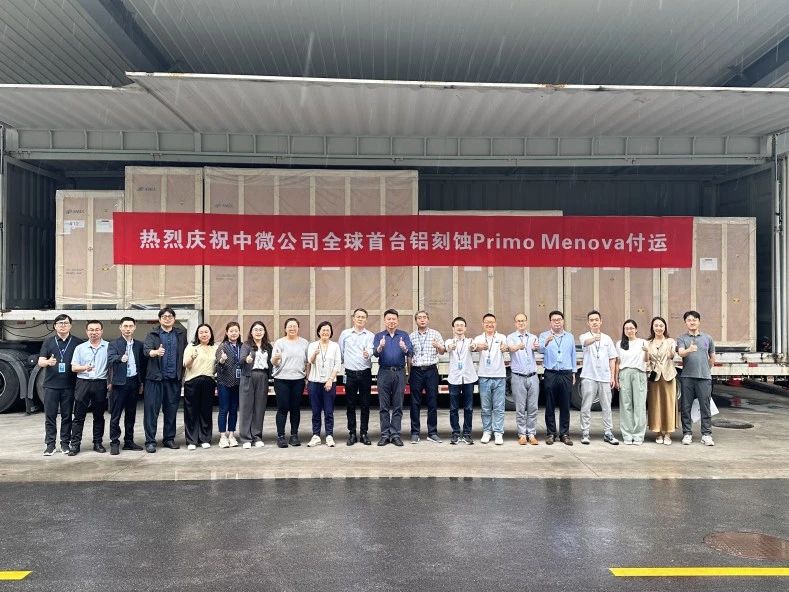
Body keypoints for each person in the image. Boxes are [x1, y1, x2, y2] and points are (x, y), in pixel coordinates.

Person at [142, 307, 187, 453]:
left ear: (174, 319)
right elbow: (146, 350)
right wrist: (155, 352)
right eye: (164, 316)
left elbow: (185, 352)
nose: (167, 319)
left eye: (170, 316)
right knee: (151, 412)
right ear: (160, 319)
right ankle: (150, 441)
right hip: (155, 379)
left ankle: (169, 439)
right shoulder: (152, 334)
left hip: (173, 379)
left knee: (171, 411)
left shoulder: (180, 334)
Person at [38, 314, 82, 456]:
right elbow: (40, 361)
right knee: (50, 416)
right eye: (60, 323)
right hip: (51, 386)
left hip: (69, 385)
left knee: (67, 416)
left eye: (65, 323)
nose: (63, 325)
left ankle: (65, 443)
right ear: (55, 326)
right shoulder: (48, 342)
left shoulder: (77, 342)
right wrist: (48, 362)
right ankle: (50, 445)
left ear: (70, 325)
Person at [373, 309, 414, 447]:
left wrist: (404, 348)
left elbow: (410, 352)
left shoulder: (403, 335)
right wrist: (380, 347)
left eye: (394, 319)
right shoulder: (379, 336)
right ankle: (385, 434)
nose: (391, 321)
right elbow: (375, 353)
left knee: (398, 405)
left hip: (399, 372)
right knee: (383, 406)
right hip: (384, 372)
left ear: (397, 321)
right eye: (389, 319)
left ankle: (395, 434)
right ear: (385, 321)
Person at [578, 310, 619, 445]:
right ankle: (585, 432)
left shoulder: (607, 338)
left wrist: (612, 377)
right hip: (588, 376)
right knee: (586, 406)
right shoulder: (584, 336)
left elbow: (612, 358)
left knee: (607, 406)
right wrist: (594, 338)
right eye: (591, 320)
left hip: (604, 377)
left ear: (601, 321)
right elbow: (585, 343)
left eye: (596, 320)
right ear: (588, 323)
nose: (594, 322)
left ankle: (608, 432)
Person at [107, 317, 146, 455]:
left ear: (134, 328)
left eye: (130, 326)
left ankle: (129, 441)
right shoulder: (114, 344)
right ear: (120, 327)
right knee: (116, 414)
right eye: (125, 326)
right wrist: (119, 358)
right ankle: (114, 442)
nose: (128, 329)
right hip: (119, 383)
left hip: (133, 382)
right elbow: (110, 358)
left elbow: (142, 365)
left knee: (131, 414)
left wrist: (141, 382)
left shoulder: (139, 345)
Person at [69, 320, 109, 455]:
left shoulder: (108, 347)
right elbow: (74, 368)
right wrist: (84, 368)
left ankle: (97, 443)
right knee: (78, 416)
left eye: (97, 330)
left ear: (102, 331)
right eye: (91, 330)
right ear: (86, 332)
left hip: (100, 383)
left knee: (99, 416)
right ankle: (75, 445)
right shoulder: (80, 348)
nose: (94, 332)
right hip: (83, 382)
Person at [676, 310, 716, 446]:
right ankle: (687, 433)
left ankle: (706, 434)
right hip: (687, 377)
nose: (692, 322)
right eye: (689, 320)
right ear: (685, 322)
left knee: (705, 407)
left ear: (699, 321)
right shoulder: (682, 338)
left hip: (704, 378)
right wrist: (689, 350)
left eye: (694, 320)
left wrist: (706, 370)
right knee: (685, 407)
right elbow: (681, 353)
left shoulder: (707, 338)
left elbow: (712, 357)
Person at [538, 310, 576, 446]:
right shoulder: (544, 335)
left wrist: (573, 373)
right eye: (554, 320)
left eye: (559, 319)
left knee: (565, 405)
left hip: (566, 373)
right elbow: (539, 350)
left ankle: (564, 434)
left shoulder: (569, 337)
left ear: (563, 321)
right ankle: (551, 433)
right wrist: (546, 342)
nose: (557, 322)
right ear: (550, 322)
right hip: (551, 373)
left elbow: (573, 355)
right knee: (550, 404)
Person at [338, 308, 375, 446]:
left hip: (365, 373)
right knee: (350, 405)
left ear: (366, 319)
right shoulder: (345, 334)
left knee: (365, 405)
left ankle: (364, 433)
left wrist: (368, 353)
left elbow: (371, 350)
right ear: (353, 318)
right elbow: (341, 352)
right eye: (358, 316)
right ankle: (352, 433)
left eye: (363, 317)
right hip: (350, 374)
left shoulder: (370, 335)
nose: (360, 319)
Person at [408, 311, 445, 443]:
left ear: (428, 320)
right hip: (416, 371)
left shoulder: (436, 334)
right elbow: (409, 356)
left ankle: (432, 432)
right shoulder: (411, 336)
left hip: (431, 370)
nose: (422, 320)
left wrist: (438, 346)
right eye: (419, 318)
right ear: (416, 321)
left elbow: (442, 351)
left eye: (424, 317)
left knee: (432, 402)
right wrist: (409, 373)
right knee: (414, 402)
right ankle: (415, 432)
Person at [271, 318, 309, 448]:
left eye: (294, 326)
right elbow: (274, 362)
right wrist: (276, 359)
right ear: (285, 328)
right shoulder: (280, 342)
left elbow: (307, 362)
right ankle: (281, 436)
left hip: (298, 380)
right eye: (289, 326)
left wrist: (307, 378)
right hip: (281, 379)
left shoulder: (304, 343)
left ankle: (294, 435)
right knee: (282, 408)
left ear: (298, 328)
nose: (292, 328)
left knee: (295, 408)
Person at [473, 313, 509, 445]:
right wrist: (477, 347)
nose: (490, 324)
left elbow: (507, 348)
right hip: (484, 376)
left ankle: (498, 432)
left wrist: (505, 348)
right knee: (486, 407)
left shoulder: (502, 337)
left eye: (492, 322)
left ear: (496, 324)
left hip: (499, 376)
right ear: (483, 324)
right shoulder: (478, 338)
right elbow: (472, 347)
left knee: (499, 407)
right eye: (487, 322)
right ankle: (487, 431)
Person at [306, 321, 342, 447]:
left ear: (331, 332)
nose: (325, 332)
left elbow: (337, 364)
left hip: (329, 383)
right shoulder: (313, 345)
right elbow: (310, 361)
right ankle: (316, 435)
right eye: (323, 330)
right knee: (315, 411)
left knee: (328, 411)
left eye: (328, 330)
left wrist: (330, 379)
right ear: (319, 332)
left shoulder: (335, 346)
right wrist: (314, 354)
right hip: (314, 382)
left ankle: (329, 436)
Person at [182, 323, 217, 450]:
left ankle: (205, 439)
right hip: (192, 381)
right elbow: (185, 364)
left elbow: (217, 366)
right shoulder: (191, 346)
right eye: (201, 332)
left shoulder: (215, 348)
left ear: (210, 334)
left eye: (206, 332)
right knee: (191, 412)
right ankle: (191, 440)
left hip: (209, 381)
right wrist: (192, 357)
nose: (204, 334)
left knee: (206, 411)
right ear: (197, 334)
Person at [507, 313, 540, 445]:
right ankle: (522, 434)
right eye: (518, 321)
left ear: (526, 322)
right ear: (515, 323)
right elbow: (511, 348)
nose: (521, 323)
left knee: (533, 407)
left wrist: (537, 347)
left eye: (523, 321)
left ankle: (531, 434)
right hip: (518, 377)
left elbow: (538, 349)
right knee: (520, 408)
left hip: (532, 376)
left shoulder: (533, 337)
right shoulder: (511, 337)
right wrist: (518, 347)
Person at [239, 321, 272, 449]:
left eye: (260, 329)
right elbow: (241, 359)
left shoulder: (267, 346)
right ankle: (246, 438)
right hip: (248, 376)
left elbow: (272, 362)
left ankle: (257, 436)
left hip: (262, 376)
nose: (258, 332)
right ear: (251, 332)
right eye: (256, 330)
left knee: (260, 407)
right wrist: (246, 359)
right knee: (246, 407)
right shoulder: (246, 345)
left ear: (264, 332)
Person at [645, 316, 678, 445]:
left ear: (665, 327)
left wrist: (671, 352)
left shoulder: (670, 341)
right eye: (656, 325)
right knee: (655, 404)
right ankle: (658, 433)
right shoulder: (648, 343)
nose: (658, 328)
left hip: (668, 375)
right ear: (652, 327)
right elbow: (646, 360)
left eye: (661, 325)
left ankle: (668, 433)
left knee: (669, 403)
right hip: (655, 376)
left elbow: (672, 355)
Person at [615, 319, 648, 445]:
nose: (629, 330)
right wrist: (616, 378)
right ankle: (627, 434)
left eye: (631, 328)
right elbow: (618, 362)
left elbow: (646, 360)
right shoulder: (619, 344)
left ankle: (638, 434)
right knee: (626, 405)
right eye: (626, 328)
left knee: (639, 405)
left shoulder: (643, 342)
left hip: (639, 373)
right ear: (624, 330)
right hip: (624, 373)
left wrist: (647, 351)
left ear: (636, 329)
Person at [445, 316, 477, 445]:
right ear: (453, 328)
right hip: (454, 378)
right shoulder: (449, 341)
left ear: (465, 328)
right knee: (453, 408)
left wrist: (473, 346)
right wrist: (451, 347)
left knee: (468, 408)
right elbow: (447, 347)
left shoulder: (470, 341)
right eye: (457, 325)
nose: (459, 327)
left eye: (462, 325)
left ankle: (467, 434)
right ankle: (456, 433)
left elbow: (474, 347)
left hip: (468, 378)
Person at [215, 321, 242, 448]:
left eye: (236, 331)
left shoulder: (242, 346)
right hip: (224, 383)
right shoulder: (222, 346)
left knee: (233, 410)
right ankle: (222, 436)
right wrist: (222, 360)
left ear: (239, 332)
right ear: (227, 332)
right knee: (223, 410)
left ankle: (231, 435)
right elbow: (218, 366)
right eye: (231, 331)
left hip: (238, 383)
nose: (234, 333)